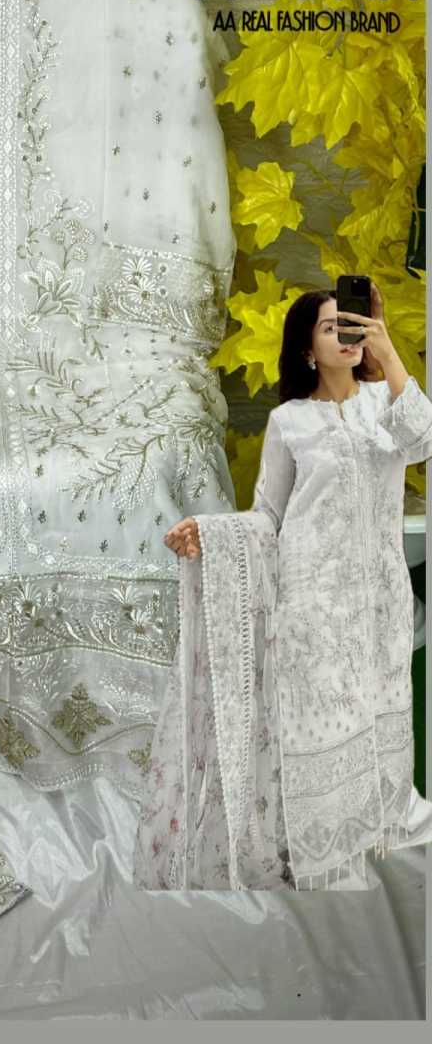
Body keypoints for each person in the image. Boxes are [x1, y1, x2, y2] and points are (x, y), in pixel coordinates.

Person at [147, 280, 432, 890]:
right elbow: (269, 516)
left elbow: (424, 441)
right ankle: (321, 846)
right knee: (321, 722)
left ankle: (378, 822)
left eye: (350, 324)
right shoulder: (289, 421)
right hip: (312, 602)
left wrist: (387, 347)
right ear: (307, 348)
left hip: (378, 600)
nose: (346, 336)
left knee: (380, 706)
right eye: (331, 328)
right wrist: (210, 533)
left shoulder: (386, 403)